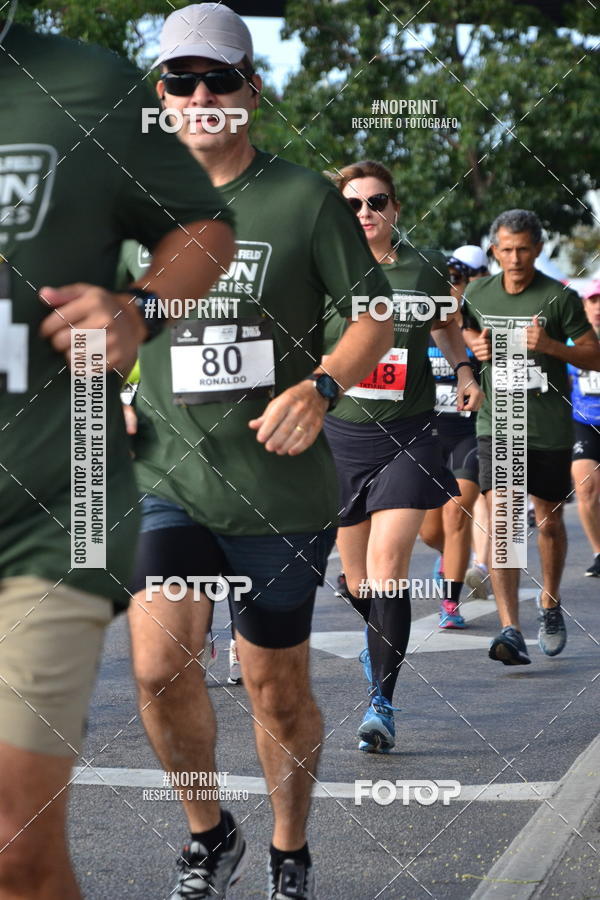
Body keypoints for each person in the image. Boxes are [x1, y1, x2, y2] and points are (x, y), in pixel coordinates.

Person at [126, 6, 394, 899]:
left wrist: (319, 390)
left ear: (252, 88)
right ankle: (210, 834)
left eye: (220, 79)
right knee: (161, 667)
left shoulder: (304, 197)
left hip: (279, 489)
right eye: (180, 80)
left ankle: (288, 850)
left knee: (275, 689)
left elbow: (375, 314)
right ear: (160, 94)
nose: (200, 96)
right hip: (169, 477)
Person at [0, 8, 234, 899]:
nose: (201, 96)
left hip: (48, 508)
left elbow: (203, 230)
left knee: (12, 845)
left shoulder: (90, 86)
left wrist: (136, 314)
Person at [322, 160, 483, 751]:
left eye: (377, 201)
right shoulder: (320, 265)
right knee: (360, 579)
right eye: (354, 204)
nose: (365, 212)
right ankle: (377, 644)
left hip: (408, 433)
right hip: (339, 435)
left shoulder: (419, 266)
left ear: (396, 208)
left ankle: (381, 704)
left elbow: (445, 323)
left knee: (389, 571)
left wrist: (465, 366)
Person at [463, 209, 600, 665]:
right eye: (507, 249)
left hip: (547, 428)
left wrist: (549, 347)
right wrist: (474, 349)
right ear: (495, 251)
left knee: (548, 521)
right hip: (498, 423)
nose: (515, 258)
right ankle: (510, 628)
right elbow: (463, 329)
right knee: (503, 519)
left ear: (538, 248)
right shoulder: (478, 292)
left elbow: (593, 357)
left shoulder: (558, 298)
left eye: (524, 249)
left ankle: (550, 601)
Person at [420, 245, 490, 625]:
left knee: (458, 508)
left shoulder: (479, 327)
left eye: (456, 280)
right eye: (441, 281)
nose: (449, 287)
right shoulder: (417, 324)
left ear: (466, 285)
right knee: (432, 531)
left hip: (469, 433)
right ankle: (450, 559)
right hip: (428, 433)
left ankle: (450, 602)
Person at [569, 280, 600, 576]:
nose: (599, 307)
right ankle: (599, 551)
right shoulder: (571, 342)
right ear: (585, 306)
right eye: (593, 301)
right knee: (586, 486)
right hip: (584, 423)